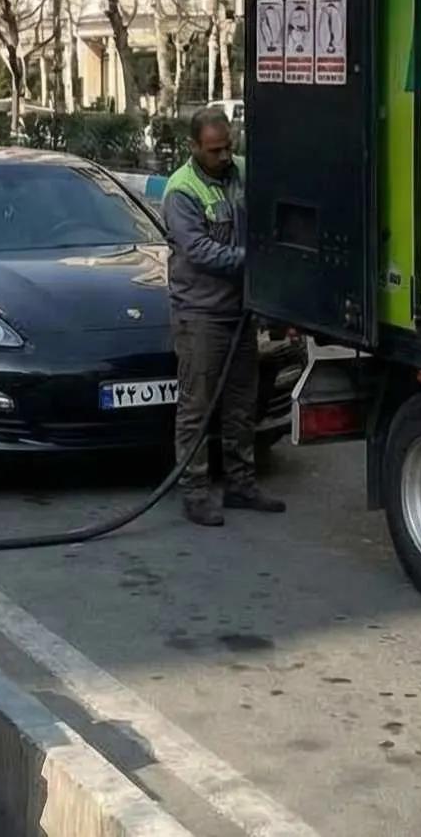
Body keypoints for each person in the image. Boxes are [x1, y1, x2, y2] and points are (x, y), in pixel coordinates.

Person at [162, 107, 284, 527]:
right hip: (201, 315)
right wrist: (257, 260)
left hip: (239, 312)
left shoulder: (242, 172)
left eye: (229, 146)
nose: (225, 156)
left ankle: (241, 484)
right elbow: (199, 251)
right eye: (215, 150)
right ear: (194, 147)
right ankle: (195, 493)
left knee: (239, 405)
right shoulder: (182, 191)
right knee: (197, 408)